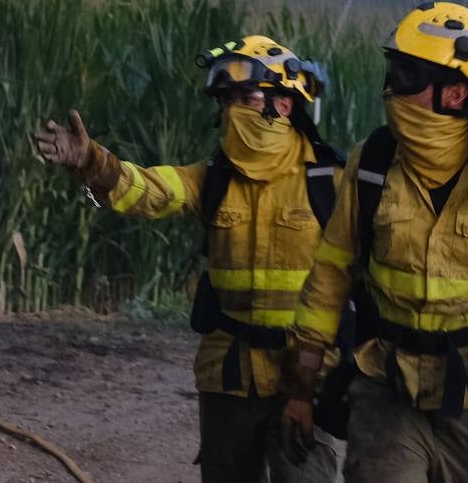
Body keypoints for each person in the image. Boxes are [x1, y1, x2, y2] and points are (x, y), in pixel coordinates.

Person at [279, 2, 468, 483]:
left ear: (456, 93)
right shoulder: (373, 164)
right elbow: (328, 281)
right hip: (386, 387)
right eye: (393, 71)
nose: (390, 89)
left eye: (407, 76)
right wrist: (301, 386)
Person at [34, 35, 343, 483]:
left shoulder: (330, 181)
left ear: (285, 105)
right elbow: (151, 189)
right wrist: (92, 162)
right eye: (227, 101)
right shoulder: (213, 179)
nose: (234, 110)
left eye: (247, 98)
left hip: (303, 379)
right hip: (228, 377)